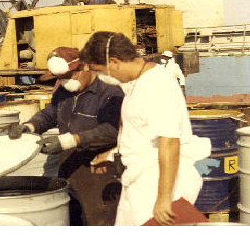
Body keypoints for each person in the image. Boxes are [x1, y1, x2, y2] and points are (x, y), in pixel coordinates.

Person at [79, 32, 211, 226]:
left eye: (102, 72)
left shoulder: (156, 85)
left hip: (157, 182)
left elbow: (169, 140)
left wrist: (164, 198)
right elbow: (142, 134)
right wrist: (112, 154)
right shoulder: (137, 82)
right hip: (141, 179)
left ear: (114, 62)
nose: (104, 77)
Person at [8, 46, 124, 226]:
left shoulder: (110, 93)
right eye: (60, 78)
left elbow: (111, 130)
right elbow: (50, 113)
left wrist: (69, 140)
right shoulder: (63, 92)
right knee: (71, 220)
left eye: (68, 76)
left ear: (85, 66)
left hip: (99, 172)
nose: (65, 82)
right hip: (68, 170)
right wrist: (30, 126)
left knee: (99, 221)